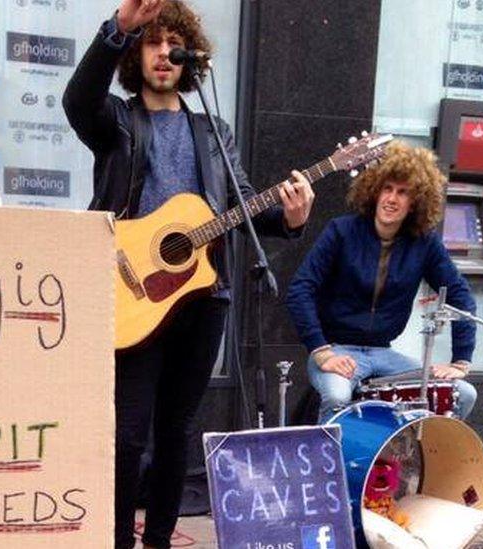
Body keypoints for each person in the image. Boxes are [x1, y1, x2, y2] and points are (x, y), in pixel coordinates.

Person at [63, 1, 315, 547]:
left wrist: (289, 219)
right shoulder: (118, 121)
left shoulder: (213, 131)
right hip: (134, 294)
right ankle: (117, 540)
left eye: (172, 44)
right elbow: (77, 102)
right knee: (129, 435)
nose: (162, 53)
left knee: (176, 432)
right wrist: (117, 30)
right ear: (136, 55)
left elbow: (243, 202)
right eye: (151, 43)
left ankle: (157, 540)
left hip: (203, 297)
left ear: (189, 57)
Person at [285, 141, 478, 424]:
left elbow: (461, 296)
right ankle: (332, 453)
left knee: (464, 394)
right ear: (374, 191)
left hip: (385, 353)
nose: (392, 198)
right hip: (337, 348)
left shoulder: (424, 243)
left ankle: (419, 452)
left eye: (403, 192)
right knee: (337, 396)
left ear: (416, 202)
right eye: (387, 189)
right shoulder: (342, 231)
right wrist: (322, 352)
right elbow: (300, 289)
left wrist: (460, 361)